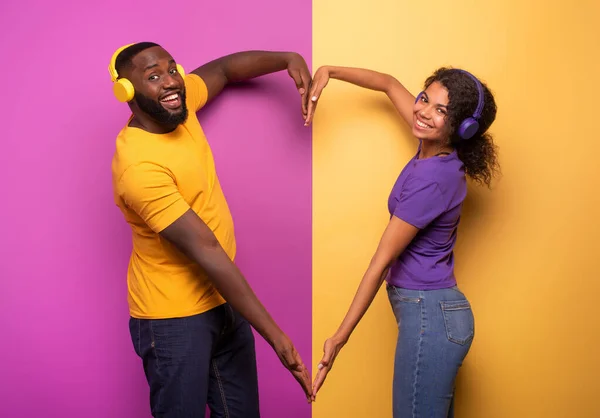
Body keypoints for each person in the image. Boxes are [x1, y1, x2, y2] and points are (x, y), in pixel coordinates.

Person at [109, 41, 313, 418]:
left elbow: (223, 69)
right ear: (126, 89)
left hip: (224, 300)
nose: (172, 82)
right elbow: (207, 250)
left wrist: (287, 58)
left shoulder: (179, 111)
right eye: (153, 76)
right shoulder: (138, 168)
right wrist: (278, 338)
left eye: (172, 69)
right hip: (173, 319)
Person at [305, 65, 499, 417]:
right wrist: (329, 70)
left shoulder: (432, 179)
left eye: (441, 111)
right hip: (436, 313)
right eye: (425, 98)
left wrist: (339, 338)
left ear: (462, 128)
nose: (423, 111)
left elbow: (380, 263)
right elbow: (387, 83)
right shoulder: (433, 148)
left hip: (430, 316)